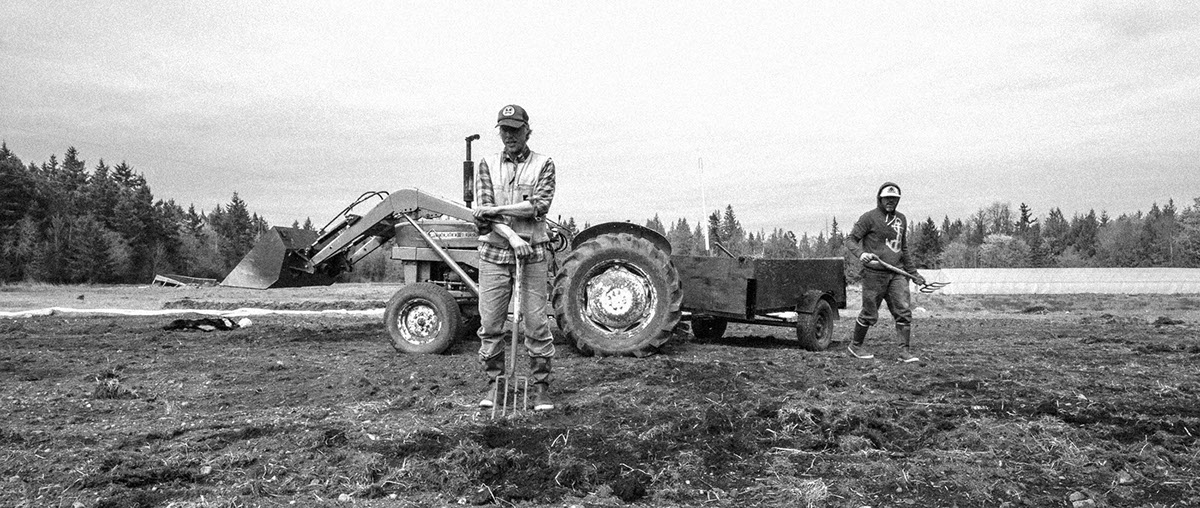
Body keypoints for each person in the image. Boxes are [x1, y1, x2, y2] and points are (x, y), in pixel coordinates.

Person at [472, 104, 557, 411]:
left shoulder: (544, 164)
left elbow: (538, 206)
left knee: (536, 324)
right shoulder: (487, 164)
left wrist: (496, 210)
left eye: (515, 129)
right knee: (491, 324)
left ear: (526, 130)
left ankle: (540, 387)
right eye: (504, 130)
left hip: (532, 254)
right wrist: (509, 235)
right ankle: (496, 383)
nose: (509, 135)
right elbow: (482, 214)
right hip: (494, 254)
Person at [845, 182, 927, 361]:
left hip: (897, 273)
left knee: (903, 310)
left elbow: (903, 249)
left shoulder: (902, 219)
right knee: (869, 312)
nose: (890, 201)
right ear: (880, 199)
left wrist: (914, 274)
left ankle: (904, 352)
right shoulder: (869, 218)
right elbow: (851, 240)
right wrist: (861, 254)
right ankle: (855, 346)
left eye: (894, 199)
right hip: (874, 273)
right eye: (887, 198)